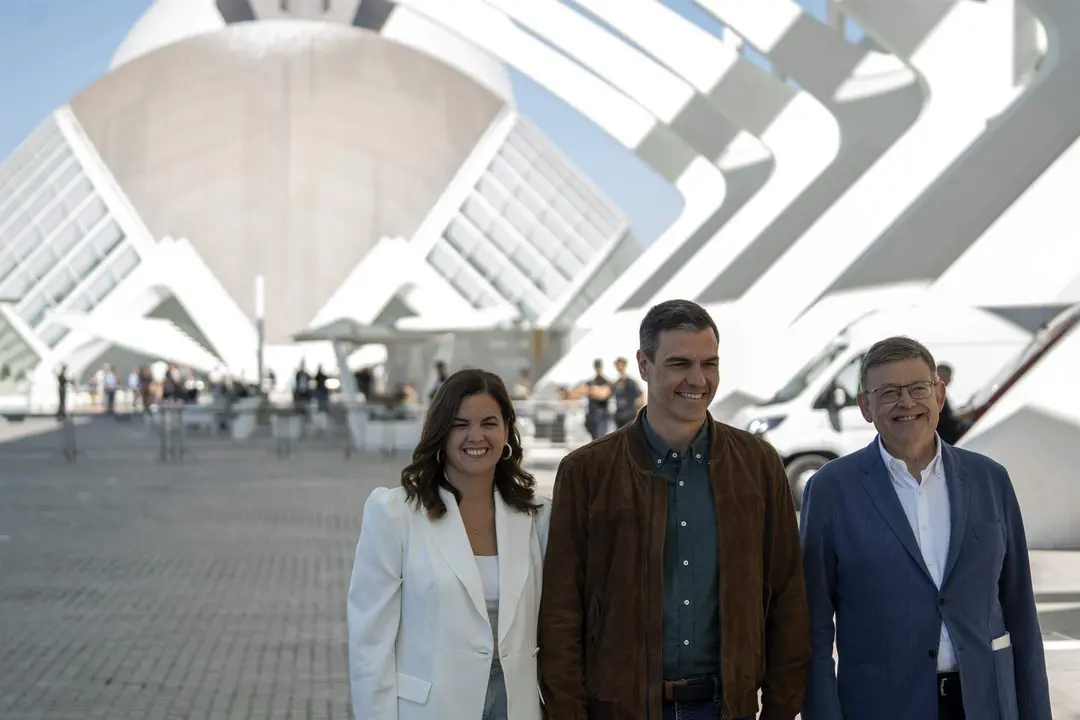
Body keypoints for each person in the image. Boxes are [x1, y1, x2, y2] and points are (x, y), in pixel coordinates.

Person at [539, 299, 809, 720]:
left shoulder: (758, 465)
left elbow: (788, 597)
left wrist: (779, 709)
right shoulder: (587, 472)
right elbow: (561, 614)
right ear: (644, 364)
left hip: (726, 708)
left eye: (710, 364)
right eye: (680, 363)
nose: (698, 380)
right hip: (618, 710)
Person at [800, 336, 1051, 720]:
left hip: (986, 703)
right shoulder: (832, 489)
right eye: (888, 392)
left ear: (939, 394)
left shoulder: (989, 479)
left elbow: (1020, 611)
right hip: (881, 707)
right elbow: (813, 625)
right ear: (865, 406)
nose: (907, 402)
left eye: (918, 388)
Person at [348, 369, 551, 720]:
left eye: (489, 423)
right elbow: (370, 642)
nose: (476, 436)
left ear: (506, 431)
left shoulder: (537, 516)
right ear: (440, 433)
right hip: (431, 708)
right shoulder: (395, 514)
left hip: (516, 705)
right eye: (460, 425)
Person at [611, 355, 644, 428]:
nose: (618, 367)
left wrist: (637, 413)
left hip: (629, 417)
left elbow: (641, 398)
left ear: (624, 365)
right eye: (617, 365)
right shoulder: (616, 383)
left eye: (620, 365)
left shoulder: (631, 382)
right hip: (619, 417)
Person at [936, 362, 961, 444]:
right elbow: (944, 420)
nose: (950, 380)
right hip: (944, 438)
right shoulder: (935, 394)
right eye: (948, 376)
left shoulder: (941, 392)